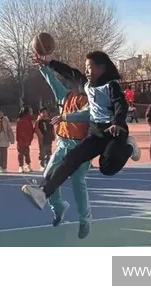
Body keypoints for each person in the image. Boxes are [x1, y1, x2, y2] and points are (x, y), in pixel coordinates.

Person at [22, 51, 141, 211]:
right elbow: (69, 72)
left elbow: (121, 104)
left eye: (90, 67)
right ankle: (43, 192)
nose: (87, 71)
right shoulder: (86, 84)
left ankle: (129, 147)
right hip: (96, 132)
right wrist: (49, 63)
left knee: (106, 167)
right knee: (70, 160)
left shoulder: (111, 85)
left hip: (114, 131)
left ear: (102, 68)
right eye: (86, 67)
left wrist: (118, 123)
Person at [35, 56, 92, 238]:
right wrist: (43, 67)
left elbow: (86, 114)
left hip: (81, 147)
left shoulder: (89, 100)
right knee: (48, 176)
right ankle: (58, 207)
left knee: (78, 183)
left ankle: (85, 220)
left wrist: (66, 117)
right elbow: (53, 82)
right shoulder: (65, 95)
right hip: (63, 144)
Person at [16, 106, 37, 173]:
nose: (32, 112)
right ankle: (21, 167)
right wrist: (25, 139)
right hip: (22, 140)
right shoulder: (21, 120)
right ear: (27, 112)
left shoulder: (28, 120)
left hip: (27, 140)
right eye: (30, 111)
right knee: (21, 154)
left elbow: (30, 130)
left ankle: (28, 165)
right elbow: (21, 132)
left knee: (27, 153)